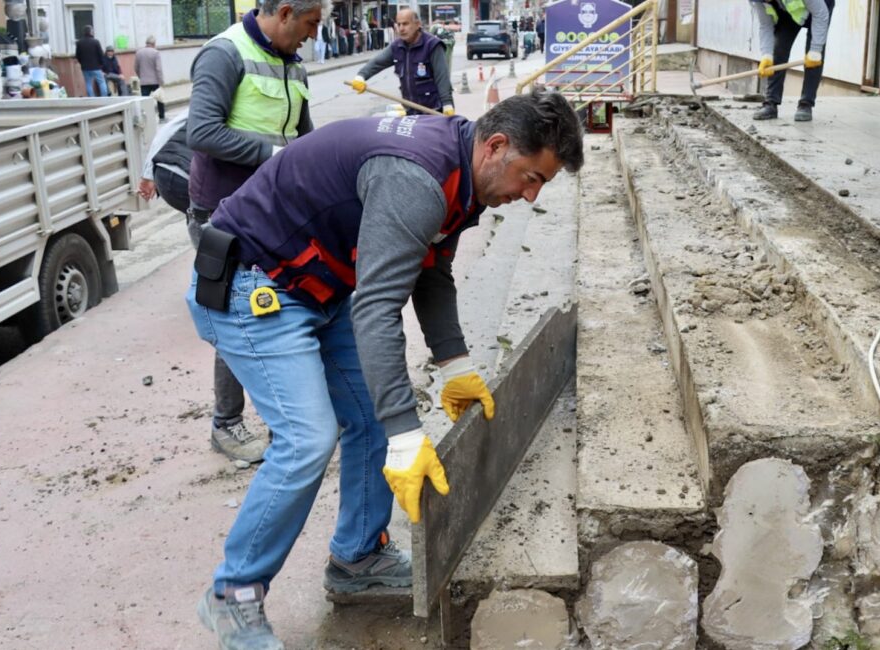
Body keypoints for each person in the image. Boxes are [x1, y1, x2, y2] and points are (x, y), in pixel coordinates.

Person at [186, 90, 583, 650]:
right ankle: (233, 595)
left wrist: (456, 366)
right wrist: (405, 431)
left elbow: (432, 270)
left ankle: (358, 558)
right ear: (496, 146)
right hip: (250, 283)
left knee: (371, 415)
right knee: (308, 438)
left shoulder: (464, 176)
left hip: (315, 288)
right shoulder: (418, 180)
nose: (531, 195)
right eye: (532, 176)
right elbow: (376, 306)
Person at [186, 0, 320, 465]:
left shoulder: (295, 66)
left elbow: (304, 137)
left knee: (284, 305)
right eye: (310, 25)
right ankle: (226, 425)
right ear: (284, 13)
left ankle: (305, 414)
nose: (312, 36)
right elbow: (201, 132)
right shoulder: (224, 53)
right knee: (236, 315)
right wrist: (275, 155)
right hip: (222, 214)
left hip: (273, 211)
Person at [351, 8, 454, 116]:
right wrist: (361, 76)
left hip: (434, 111)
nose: (401, 28)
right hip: (410, 112)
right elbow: (377, 62)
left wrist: (447, 104)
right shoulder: (397, 46)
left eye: (405, 24)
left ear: (417, 24)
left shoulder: (432, 45)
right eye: (398, 24)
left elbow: (442, 77)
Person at [750, 0, 832, 122]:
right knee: (778, 51)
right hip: (790, 10)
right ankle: (771, 103)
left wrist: (816, 49)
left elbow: (821, 14)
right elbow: (766, 25)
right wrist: (766, 55)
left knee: (814, 56)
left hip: (820, 7)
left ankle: (806, 104)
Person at [137, 111, 190, 213]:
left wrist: (148, 175)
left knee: (199, 219)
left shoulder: (203, 102)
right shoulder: (223, 100)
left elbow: (166, 131)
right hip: (187, 177)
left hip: (163, 174)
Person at [135, 36, 166, 121]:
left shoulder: (139, 53)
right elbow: (158, 69)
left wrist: (141, 76)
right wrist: (161, 82)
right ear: (154, 44)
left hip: (144, 81)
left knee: (145, 102)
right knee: (159, 99)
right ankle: (162, 117)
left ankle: (146, 119)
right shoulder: (156, 53)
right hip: (155, 81)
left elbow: (136, 68)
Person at [74, 25, 107, 97]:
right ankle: (104, 97)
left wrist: (81, 63)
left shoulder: (79, 42)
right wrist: (102, 65)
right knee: (101, 82)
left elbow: (77, 56)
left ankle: (92, 98)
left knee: (88, 83)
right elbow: (100, 54)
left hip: (85, 68)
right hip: (96, 67)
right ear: (91, 32)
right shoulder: (96, 42)